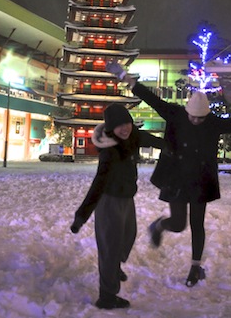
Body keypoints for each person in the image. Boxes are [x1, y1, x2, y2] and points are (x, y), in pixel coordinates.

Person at [107, 62, 231, 287]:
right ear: (187, 111)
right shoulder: (175, 114)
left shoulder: (212, 123)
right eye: (193, 117)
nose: (196, 121)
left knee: (197, 224)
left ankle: (195, 267)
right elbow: (151, 98)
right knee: (179, 224)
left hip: (201, 181)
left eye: (201, 118)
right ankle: (159, 226)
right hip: (176, 178)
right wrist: (125, 77)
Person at [70, 103, 164, 310]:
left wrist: (175, 146)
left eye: (127, 123)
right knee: (110, 249)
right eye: (120, 125)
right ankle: (107, 297)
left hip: (127, 199)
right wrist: (81, 216)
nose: (125, 128)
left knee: (129, 236)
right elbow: (98, 184)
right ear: (112, 128)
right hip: (108, 201)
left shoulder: (133, 138)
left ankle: (114, 268)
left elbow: (156, 141)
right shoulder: (109, 152)